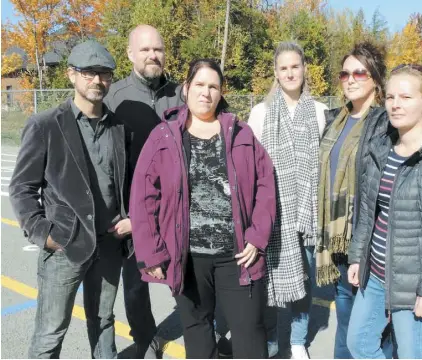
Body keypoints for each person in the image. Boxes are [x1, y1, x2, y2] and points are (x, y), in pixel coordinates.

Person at [129, 59, 276, 359]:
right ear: (186, 88)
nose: (206, 92)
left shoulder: (241, 134)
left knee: (250, 336)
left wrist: (257, 236)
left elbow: (266, 185)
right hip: (188, 258)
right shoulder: (164, 137)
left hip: (237, 257)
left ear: (221, 93)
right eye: (199, 84)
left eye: (213, 86)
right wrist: (152, 251)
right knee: (197, 333)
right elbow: (143, 196)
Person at [9, 40, 130, 358]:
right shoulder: (45, 125)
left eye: (104, 73)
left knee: (103, 322)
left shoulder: (118, 128)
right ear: (71, 75)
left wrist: (130, 219)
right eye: (89, 72)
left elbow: (122, 183)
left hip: (108, 244)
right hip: (64, 245)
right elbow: (22, 188)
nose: (97, 80)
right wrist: (45, 234)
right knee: (50, 333)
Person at [346, 63, 422, 359]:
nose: (395, 105)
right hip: (374, 273)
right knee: (359, 344)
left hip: (414, 282)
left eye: (405, 97)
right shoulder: (381, 148)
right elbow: (367, 211)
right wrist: (356, 256)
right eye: (389, 97)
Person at [104, 24, 184, 358]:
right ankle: (146, 339)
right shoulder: (114, 97)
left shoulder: (180, 93)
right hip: (133, 212)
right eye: (146, 49)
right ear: (130, 54)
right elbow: (102, 158)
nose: (153, 55)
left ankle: (199, 329)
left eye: (158, 49)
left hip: (178, 208)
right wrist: (122, 212)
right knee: (136, 286)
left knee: (187, 275)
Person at [247, 41, 327, 359]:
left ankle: (296, 340)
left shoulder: (321, 112)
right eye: (284, 68)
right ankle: (268, 339)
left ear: (304, 69)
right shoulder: (261, 113)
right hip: (272, 214)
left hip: (308, 215)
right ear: (276, 73)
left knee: (304, 283)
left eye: (296, 66)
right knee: (267, 281)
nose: (290, 72)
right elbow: (250, 165)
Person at [315, 41, 388, 359]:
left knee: (372, 329)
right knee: (345, 320)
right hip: (339, 243)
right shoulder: (335, 120)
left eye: (360, 71)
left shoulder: (386, 124)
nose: (351, 78)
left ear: (375, 78)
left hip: (371, 241)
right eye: (345, 73)